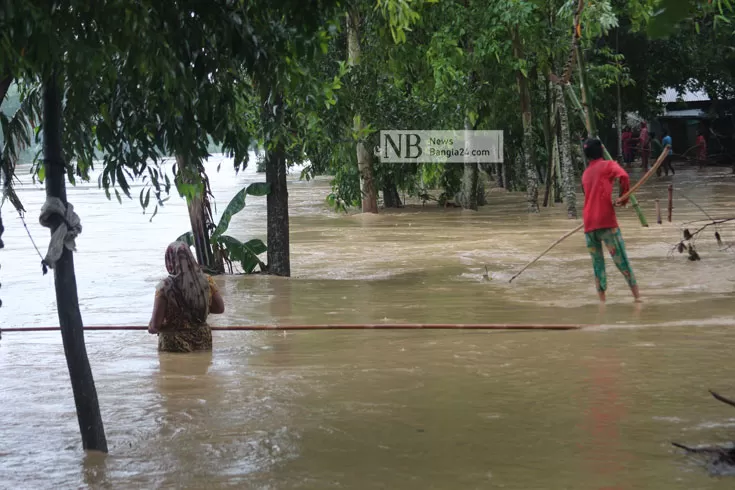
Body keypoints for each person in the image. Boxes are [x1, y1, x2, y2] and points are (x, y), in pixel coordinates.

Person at [582, 138, 641, 303]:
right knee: (622, 261)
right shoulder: (608, 165)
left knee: (597, 265)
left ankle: (602, 301)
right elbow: (624, 176)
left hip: (588, 224)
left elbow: (591, 196)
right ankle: (637, 299)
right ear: (601, 151)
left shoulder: (585, 173)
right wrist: (623, 198)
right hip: (606, 222)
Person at [148, 241, 225, 352]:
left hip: (174, 344)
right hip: (202, 340)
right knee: (201, 368)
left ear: (170, 260)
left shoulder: (164, 286)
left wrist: (151, 327)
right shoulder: (207, 281)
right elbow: (219, 308)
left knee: (173, 370)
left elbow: (155, 326)